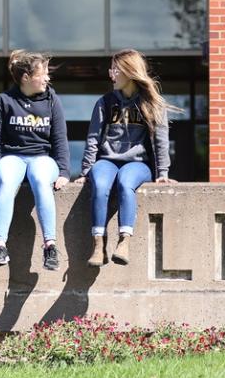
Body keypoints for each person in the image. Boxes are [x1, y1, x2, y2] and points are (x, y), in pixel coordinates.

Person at [76, 49, 181, 266]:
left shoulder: (152, 103)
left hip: (138, 164)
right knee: (101, 183)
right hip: (107, 160)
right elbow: (93, 138)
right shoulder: (105, 102)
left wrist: (162, 173)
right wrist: (86, 171)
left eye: (115, 69)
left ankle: (124, 242)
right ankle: (99, 245)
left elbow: (161, 140)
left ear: (129, 71)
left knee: (125, 183)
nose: (111, 74)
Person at [0, 50, 69, 270]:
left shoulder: (52, 100)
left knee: (40, 180)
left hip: (42, 158)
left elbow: (60, 138)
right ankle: (0, 246)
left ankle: (50, 246)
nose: (48, 78)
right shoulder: (4, 101)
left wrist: (64, 172)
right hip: (12, 157)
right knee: (7, 182)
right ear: (26, 77)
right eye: (43, 73)